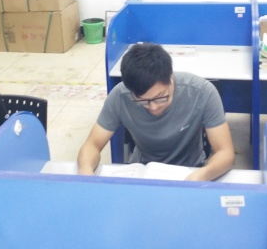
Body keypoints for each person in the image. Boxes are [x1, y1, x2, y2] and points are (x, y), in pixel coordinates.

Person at [77, 43, 235, 181]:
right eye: (143, 101)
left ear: (170, 79)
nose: (153, 107)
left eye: (160, 97)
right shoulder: (120, 96)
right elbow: (92, 144)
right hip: (142, 171)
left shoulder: (202, 92)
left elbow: (225, 152)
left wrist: (201, 175)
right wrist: (86, 171)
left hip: (190, 170)